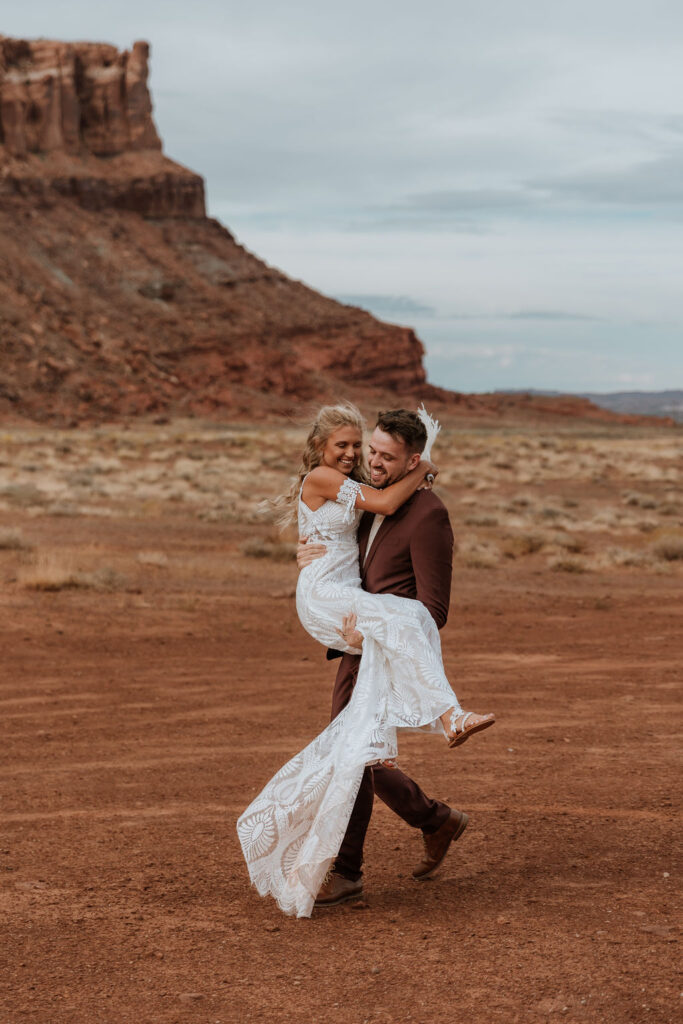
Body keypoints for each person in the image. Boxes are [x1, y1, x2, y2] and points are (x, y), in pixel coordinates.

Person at [237, 403, 494, 917]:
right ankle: (434, 821)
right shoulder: (363, 493)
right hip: (356, 639)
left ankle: (351, 870)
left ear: (413, 458)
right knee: (357, 751)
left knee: (353, 752)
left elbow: (433, 609)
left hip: (382, 643)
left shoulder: (428, 513)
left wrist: (375, 624)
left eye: (383, 455)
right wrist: (305, 554)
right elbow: (332, 541)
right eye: (368, 450)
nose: (370, 460)